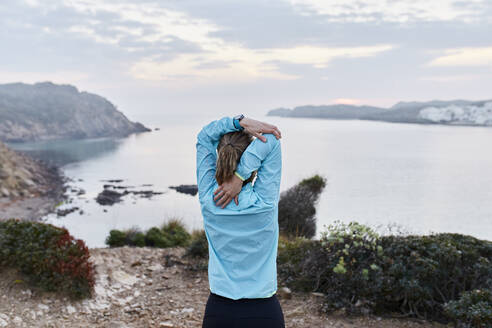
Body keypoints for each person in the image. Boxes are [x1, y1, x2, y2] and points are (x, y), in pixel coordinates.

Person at [196, 115, 285, 328]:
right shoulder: (264, 202)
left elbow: (204, 137)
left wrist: (240, 122)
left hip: (220, 313)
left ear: (220, 157)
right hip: (265, 313)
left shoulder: (210, 199)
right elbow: (272, 142)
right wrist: (240, 176)